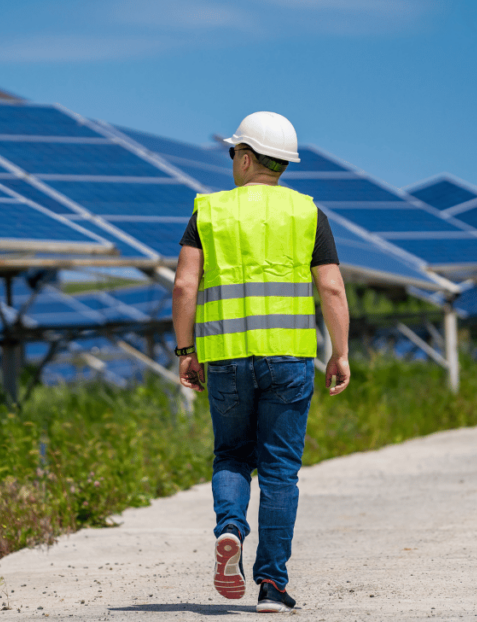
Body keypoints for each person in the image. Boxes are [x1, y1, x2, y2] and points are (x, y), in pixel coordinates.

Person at [172, 111, 351, 613]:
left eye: (233, 153)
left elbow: (186, 284)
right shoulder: (308, 213)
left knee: (232, 455)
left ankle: (229, 529)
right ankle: (271, 585)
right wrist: (340, 352)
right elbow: (332, 287)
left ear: (245, 157)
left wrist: (186, 352)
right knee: (279, 471)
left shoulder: (208, 213)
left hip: (226, 358)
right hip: (290, 359)